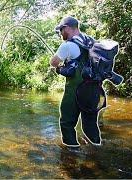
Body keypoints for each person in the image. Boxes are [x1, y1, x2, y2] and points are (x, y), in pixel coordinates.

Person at [50, 16, 102, 148]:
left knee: (67, 122)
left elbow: (54, 62)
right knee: (90, 123)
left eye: (61, 30)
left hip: (76, 91)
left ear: (67, 28)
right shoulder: (92, 42)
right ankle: (97, 148)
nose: (61, 33)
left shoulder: (67, 45)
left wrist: (59, 66)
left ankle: (71, 150)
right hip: (94, 91)